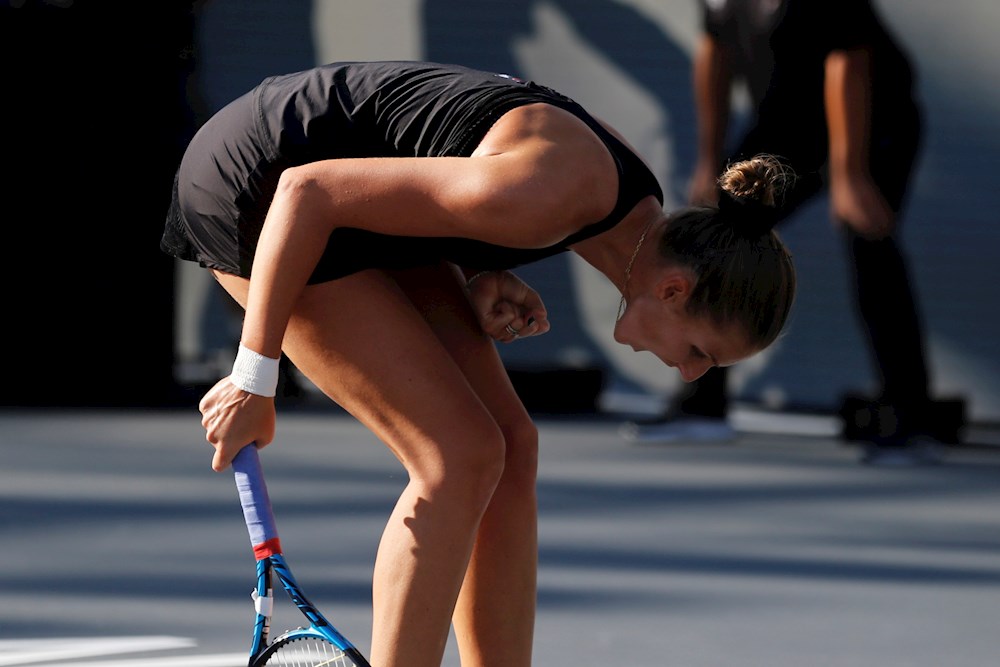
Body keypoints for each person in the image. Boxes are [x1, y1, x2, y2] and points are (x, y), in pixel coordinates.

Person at [161, 60, 796, 667]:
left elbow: (437, 152)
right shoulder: (541, 197)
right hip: (258, 183)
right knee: (456, 456)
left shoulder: (626, 201)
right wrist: (254, 376)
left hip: (344, 205)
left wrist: (478, 265)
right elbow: (308, 190)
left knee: (512, 448)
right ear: (674, 290)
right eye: (700, 354)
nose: (691, 374)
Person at [622, 0, 947, 465]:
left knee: (869, 244)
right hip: (789, 125)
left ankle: (910, 419)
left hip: (875, 119)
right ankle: (702, 405)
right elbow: (715, 52)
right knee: (721, 232)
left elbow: (848, 60)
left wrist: (851, 174)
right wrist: (709, 160)